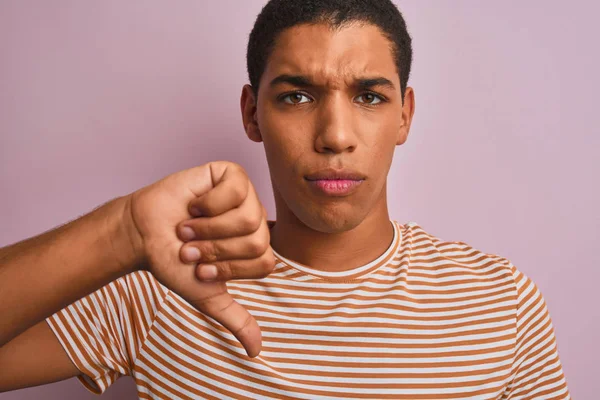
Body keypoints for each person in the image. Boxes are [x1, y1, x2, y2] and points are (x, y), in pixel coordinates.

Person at [0, 0, 570, 398]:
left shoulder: (501, 301)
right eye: (297, 95)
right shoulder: (162, 282)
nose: (336, 135)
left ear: (405, 115)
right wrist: (120, 231)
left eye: (369, 96)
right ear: (252, 114)